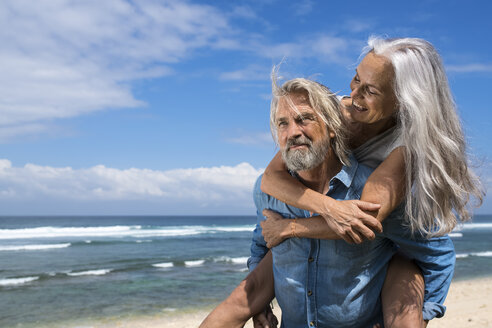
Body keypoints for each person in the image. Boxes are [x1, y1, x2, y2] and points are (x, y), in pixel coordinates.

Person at [258, 37, 483, 325]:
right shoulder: (337, 111)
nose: (354, 94)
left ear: (403, 100)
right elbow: (270, 179)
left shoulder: (404, 149)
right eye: (355, 79)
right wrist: (330, 207)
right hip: (357, 235)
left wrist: (289, 228)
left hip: (399, 248)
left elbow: (362, 220)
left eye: (371, 91)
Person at [203, 78, 430, 328]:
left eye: (304, 119)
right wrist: (261, 303)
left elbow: (430, 253)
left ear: (332, 127)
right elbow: (261, 244)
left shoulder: (374, 191)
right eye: (283, 123)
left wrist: (422, 313)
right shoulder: (266, 190)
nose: (293, 132)